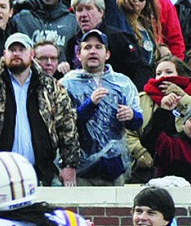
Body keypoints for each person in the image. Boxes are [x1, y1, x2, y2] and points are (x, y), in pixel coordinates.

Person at [0, 32, 81, 187]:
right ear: (4, 53)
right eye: (12, 49)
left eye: (22, 49)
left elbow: (67, 126)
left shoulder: (51, 87)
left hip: (43, 173)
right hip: (0, 175)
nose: (16, 53)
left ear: (32, 54)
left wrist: (69, 164)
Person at [59, 28, 141, 186]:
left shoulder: (122, 83)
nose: (93, 52)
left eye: (98, 47)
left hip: (114, 168)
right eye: (87, 47)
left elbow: (137, 123)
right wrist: (89, 105)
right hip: (81, 169)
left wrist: (131, 115)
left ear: (107, 54)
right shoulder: (67, 84)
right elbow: (64, 126)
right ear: (78, 54)